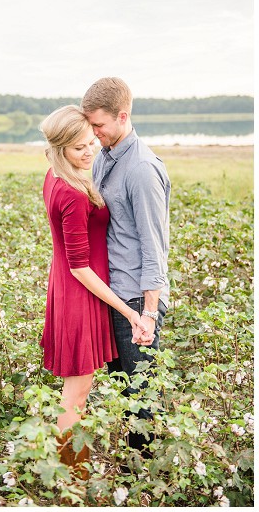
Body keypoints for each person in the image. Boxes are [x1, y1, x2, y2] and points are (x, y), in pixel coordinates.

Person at [39, 105, 151, 479]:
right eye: (78, 148)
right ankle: (73, 481)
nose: (89, 152)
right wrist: (129, 310)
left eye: (91, 143)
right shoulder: (71, 192)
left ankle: (71, 475)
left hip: (69, 291)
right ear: (60, 149)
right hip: (82, 297)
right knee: (77, 397)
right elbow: (79, 266)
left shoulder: (55, 176)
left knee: (76, 395)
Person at [81, 77, 171, 461]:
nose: (93, 132)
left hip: (137, 298)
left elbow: (155, 249)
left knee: (141, 397)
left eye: (98, 125)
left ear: (123, 116)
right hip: (115, 294)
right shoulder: (104, 155)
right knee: (124, 389)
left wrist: (148, 314)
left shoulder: (141, 169)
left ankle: (144, 481)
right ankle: (136, 469)